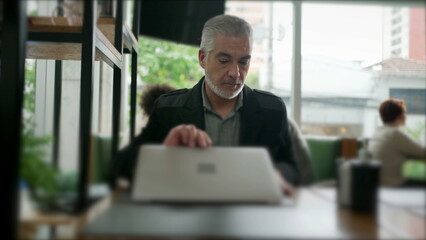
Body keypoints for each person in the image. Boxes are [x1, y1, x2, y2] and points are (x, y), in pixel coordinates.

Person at [114, 15, 299, 194]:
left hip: (251, 215)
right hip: (186, 214)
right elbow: (122, 166)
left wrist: (277, 174)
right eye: (224, 61)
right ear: (203, 58)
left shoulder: (272, 110)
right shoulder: (167, 109)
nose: (235, 73)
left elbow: (291, 167)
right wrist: (164, 152)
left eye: (244, 62)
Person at [368, 98, 425, 187]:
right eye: (404, 113)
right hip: (393, 184)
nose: (406, 116)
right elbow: (422, 152)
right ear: (399, 115)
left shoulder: (378, 132)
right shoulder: (394, 134)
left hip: (378, 183)